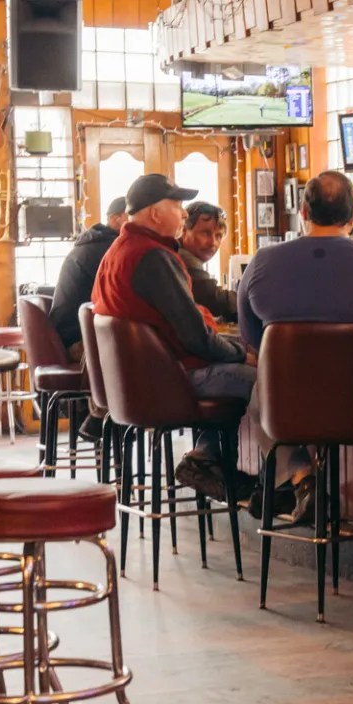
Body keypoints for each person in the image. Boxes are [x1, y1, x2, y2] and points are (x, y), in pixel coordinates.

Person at [239, 170, 353, 521]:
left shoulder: (262, 264)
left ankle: (305, 479)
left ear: (303, 212)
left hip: (288, 408)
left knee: (263, 386)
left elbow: (253, 341)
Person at [90, 173, 255, 499]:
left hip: (137, 385)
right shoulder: (153, 257)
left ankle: (207, 459)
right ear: (154, 213)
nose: (182, 213)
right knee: (270, 381)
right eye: (177, 204)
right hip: (172, 380)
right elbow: (197, 340)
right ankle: (289, 481)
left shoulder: (118, 250)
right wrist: (242, 354)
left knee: (248, 372)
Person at [49, 196, 128, 358]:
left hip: (68, 335)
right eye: (132, 216)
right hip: (77, 341)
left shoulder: (97, 242)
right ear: (115, 218)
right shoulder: (106, 248)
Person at [178, 201, 241, 322]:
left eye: (218, 236)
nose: (213, 243)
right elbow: (214, 299)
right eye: (205, 233)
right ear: (183, 231)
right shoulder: (182, 260)